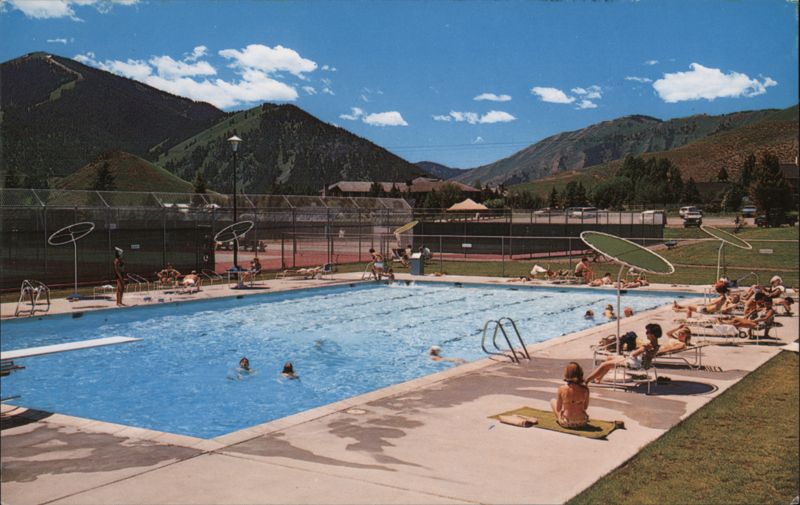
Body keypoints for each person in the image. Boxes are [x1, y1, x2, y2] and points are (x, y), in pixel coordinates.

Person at [585, 323, 661, 384]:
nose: (646, 333)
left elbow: (633, 354)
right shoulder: (656, 345)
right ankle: (598, 379)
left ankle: (586, 380)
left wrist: (640, 349)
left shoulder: (647, 346)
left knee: (603, 364)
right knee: (609, 358)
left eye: (647, 332)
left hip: (634, 363)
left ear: (653, 335)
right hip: (640, 363)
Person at [550, 362, 590, 428]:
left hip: (566, 422)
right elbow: (585, 407)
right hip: (582, 422)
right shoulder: (585, 389)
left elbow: (558, 408)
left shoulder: (562, 389)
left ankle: (560, 418)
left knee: (552, 401)